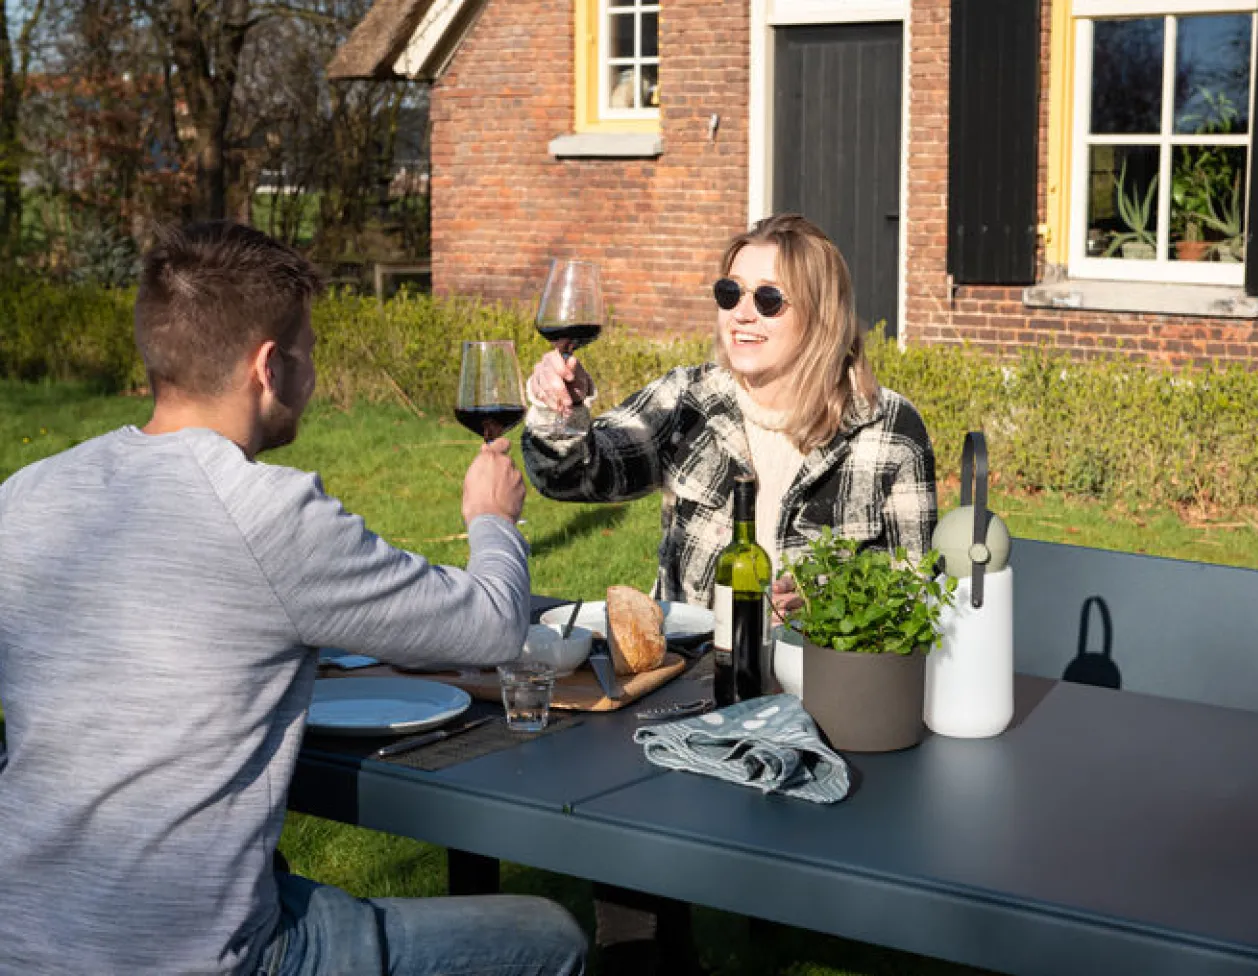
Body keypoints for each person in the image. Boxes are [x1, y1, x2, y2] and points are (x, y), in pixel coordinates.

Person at [0, 221, 587, 976]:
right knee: (548, 939)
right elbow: (493, 626)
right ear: (270, 367)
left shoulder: (29, 495)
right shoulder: (267, 513)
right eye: (309, 352)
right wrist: (493, 520)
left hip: (21, 937)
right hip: (201, 957)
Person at [521, 212, 938, 973]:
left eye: (768, 299)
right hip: (688, 679)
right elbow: (581, 472)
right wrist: (559, 414)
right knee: (623, 800)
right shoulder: (691, 398)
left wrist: (828, 598)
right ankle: (645, 956)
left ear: (820, 313)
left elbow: (912, 591)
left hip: (819, 692)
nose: (742, 313)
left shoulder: (888, 429)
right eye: (730, 292)